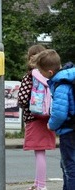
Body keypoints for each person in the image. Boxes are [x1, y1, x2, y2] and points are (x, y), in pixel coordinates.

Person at [34, 49, 75, 190]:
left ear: (50, 73)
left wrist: (51, 125)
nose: (41, 75)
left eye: (41, 72)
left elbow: (60, 114)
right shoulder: (70, 77)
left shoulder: (61, 85)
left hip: (69, 131)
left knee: (69, 167)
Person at [18, 45, 56, 190]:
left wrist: (21, 102)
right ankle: (37, 183)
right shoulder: (49, 77)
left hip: (34, 118)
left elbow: (22, 98)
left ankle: (41, 186)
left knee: (39, 153)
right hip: (46, 118)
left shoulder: (30, 76)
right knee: (41, 151)